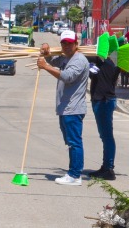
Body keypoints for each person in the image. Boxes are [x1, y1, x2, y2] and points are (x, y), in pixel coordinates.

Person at [34, 29, 90, 185]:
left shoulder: (79, 60)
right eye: (64, 43)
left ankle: (74, 175)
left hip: (73, 109)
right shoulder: (67, 58)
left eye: (69, 43)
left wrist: (45, 66)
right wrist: (46, 49)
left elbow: (67, 76)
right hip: (65, 109)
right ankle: (72, 172)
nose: (66, 46)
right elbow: (53, 60)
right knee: (70, 142)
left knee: (74, 142)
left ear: (76, 44)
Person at [85, 34, 123, 180]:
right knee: (106, 136)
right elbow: (94, 75)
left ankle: (108, 169)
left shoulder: (102, 62)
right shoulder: (112, 63)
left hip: (103, 101)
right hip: (105, 100)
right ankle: (106, 166)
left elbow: (89, 63)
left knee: (106, 136)